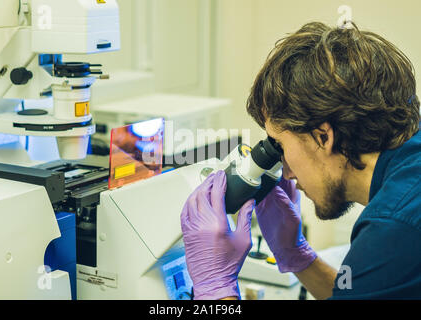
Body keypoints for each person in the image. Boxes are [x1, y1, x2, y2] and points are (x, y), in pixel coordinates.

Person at [180, 21, 420, 300]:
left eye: (280, 146)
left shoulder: (393, 229)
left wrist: (216, 290)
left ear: (322, 137)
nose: (287, 171)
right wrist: (296, 255)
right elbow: (364, 292)